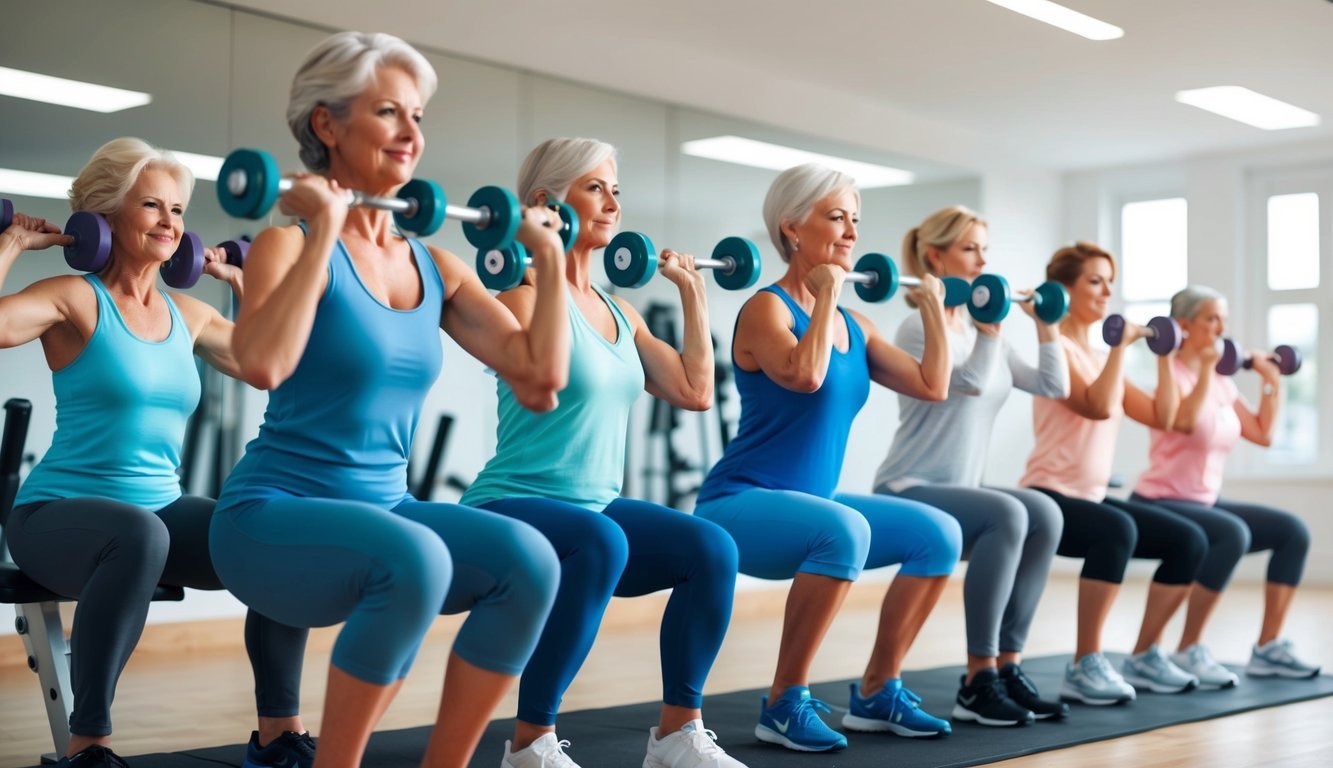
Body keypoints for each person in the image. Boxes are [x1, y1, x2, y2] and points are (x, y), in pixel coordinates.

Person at [208, 32, 570, 768]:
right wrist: (323, 233)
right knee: (415, 558)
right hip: (270, 516)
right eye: (388, 113)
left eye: (418, 116)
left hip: (385, 509)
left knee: (530, 559)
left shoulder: (434, 263)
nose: (411, 134)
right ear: (326, 125)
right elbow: (263, 365)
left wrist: (553, 261)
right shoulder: (287, 246)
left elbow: (539, 381)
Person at [0, 138, 310, 768]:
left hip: (156, 513)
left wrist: (243, 286)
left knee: (272, 537)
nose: (172, 223)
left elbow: (267, 366)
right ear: (106, 216)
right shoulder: (73, 298)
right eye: (153, 206)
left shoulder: (187, 313)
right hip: (55, 515)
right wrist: (9, 248)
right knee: (141, 536)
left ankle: (279, 736)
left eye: (177, 210)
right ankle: (89, 747)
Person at [461, 137, 745, 768]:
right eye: (595, 187)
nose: (613, 201)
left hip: (596, 508)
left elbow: (695, 391)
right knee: (601, 539)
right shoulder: (520, 298)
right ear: (546, 203)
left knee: (711, 548)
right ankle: (530, 744)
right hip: (513, 504)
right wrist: (544, 255)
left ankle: (677, 736)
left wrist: (692, 293)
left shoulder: (622, 312)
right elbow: (548, 372)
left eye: (616, 188)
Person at [695, 163, 963, 753]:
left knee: (939, 534)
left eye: (855, 221)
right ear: (792, 228)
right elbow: (806, 375)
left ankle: (877, 691)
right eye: (835, 217)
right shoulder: (763, 309)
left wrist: (935, 310)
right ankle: (784, 702)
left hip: (816, 506)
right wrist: (827, 294)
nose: (850, 233)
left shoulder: (857, 325)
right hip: (737, 504)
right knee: (843, 530)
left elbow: (933, 385)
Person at [874, 205, 1069, 726]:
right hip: (908, 484)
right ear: (935, 256)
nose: (983, 258)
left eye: (986, 247)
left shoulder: (987, 330)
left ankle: (1007, 666)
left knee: (1044, 513)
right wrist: (989, 331)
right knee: (1008, 513)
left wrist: (1047, 327)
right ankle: (977, 679)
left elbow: (1054, 386)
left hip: (962, 489)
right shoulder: (919, 325)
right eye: (970, 248)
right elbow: (972, 383)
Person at [1021, 242, 1209, 704]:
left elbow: (1165, 417)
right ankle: (1085, 663)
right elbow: (1100, 406)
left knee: (1189, 540)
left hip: (1091, 496)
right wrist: (1120, 348)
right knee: (1117, 530)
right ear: (1062, 289)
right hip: (1050, 495)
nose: (1107, 292)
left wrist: (1164, 355)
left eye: (1111, 282)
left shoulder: (1101, 356)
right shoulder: (1058, 349)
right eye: (1095, 281)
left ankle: (1145, 655)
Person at [1131, 285, 1318, 684]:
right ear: (1182, 326)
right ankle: (1187, 648)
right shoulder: (1173, 376)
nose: (1221, 329)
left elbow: (1262, 433)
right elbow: (1182, 421)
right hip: (1159, 499)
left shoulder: (1220, 381)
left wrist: (1271, 381)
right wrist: (1205, 370)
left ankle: (1268, 648)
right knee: (1231, 534)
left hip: (1203, 500)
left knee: (1292, 531)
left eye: (1224, 320)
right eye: (1212, 319)